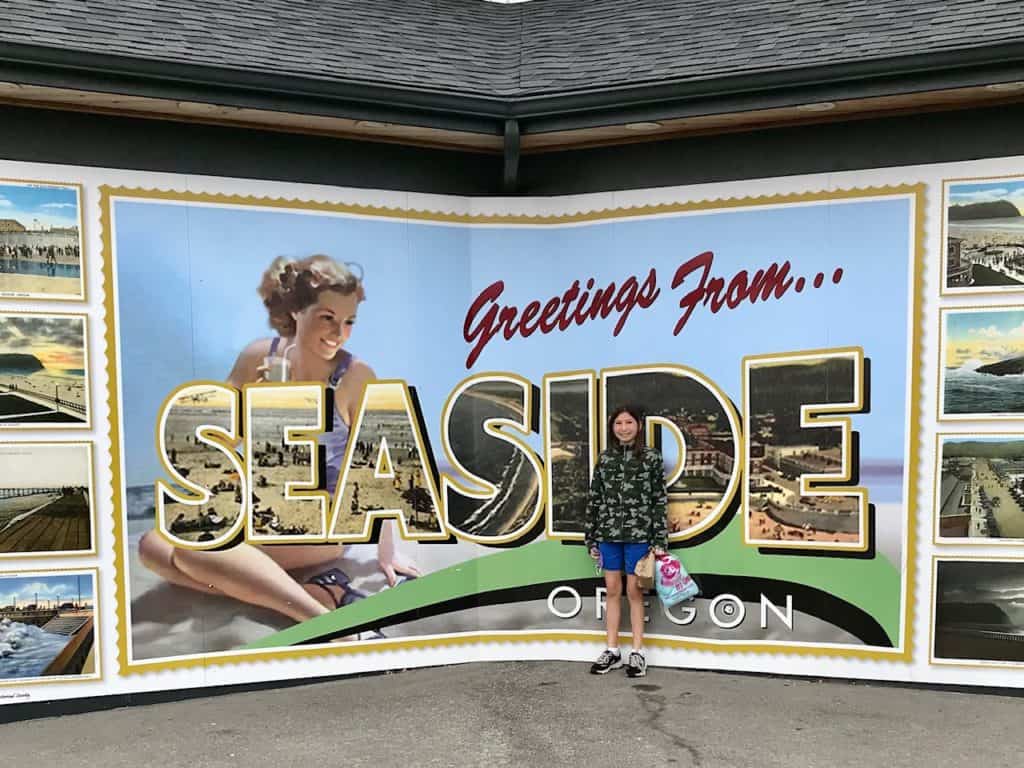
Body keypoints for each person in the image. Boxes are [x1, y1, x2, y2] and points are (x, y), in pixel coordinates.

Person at [139, 254, 420, 631]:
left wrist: (387, 551)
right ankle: (315, 594)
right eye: (327, 318)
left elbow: (381, 471)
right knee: (152, 545)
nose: (340, 332)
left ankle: (321, 623)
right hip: (264, 507)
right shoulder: (259, 356)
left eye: (349, 321)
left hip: (326, 518)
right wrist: (252, 401)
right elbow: (219, 442)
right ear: (296, 311)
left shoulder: (355, 376)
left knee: (194, 550)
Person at [584, 404, 668, 678]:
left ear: (638, 425)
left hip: (639, 536)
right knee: (611, 590)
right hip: (608, 535)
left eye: (628, 422)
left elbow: (659, 500)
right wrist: (591, 537)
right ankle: (612, 650)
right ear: (612, 428)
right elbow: (595, 498)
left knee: (634, 592)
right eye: (618, 423)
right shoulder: (605, 458)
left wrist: (658, 539)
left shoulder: (652, 458)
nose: (623, 428)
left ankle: (637, 652)